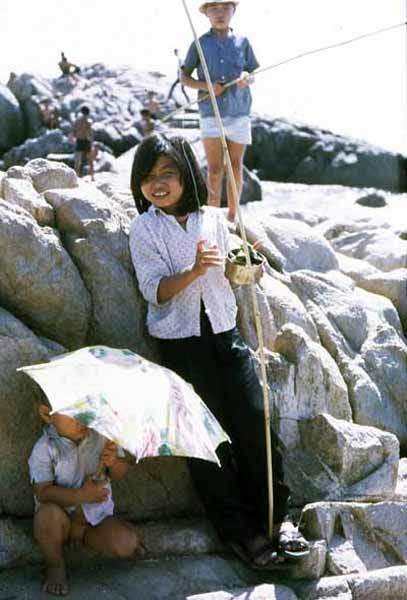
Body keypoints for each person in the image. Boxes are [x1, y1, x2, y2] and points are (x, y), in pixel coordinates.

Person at [129, 133, 309, 570]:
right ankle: (242, 534)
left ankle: (279, 519)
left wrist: (247, 266)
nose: (158, 184)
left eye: (168, 173)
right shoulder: (145, 228)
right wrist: (193, 271)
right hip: (181, 345)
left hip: (226, 334)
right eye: (149, 177)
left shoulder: (211, 218)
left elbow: (232, 272)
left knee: (254, 420)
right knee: (206, 442)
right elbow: (154, 291)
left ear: (187, 175)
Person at [28, 392, 143, 596]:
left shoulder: (103, 438)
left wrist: (114, 463)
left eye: (86, 410)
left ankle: (109, 535)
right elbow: (43, 493)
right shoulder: (44, 448)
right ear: (47, 414)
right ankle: (55, 565)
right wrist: (80, 496)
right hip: (60, 523)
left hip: (93, 523)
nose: (83, 419)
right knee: (46, 516)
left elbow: (119, 474)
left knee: (126, 544)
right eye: (73, 413)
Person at [181, 0, 258, 223]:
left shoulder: (243, 41)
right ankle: (213, 218)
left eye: (225, 8)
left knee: (235, 166)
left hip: (239, 111)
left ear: (234, 10)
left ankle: (233, 217)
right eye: (214, 8)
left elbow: (252, 71)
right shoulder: (199, 43)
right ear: (206, 13)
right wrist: (207, 87)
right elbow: (184, 77)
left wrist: (247, 78)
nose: (220, 13)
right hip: (210, 113)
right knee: (214, 170)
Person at [71, 106, 94, 181]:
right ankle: (92, 176)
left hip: (79, 141)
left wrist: (73, 138)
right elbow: (90, 134)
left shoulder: (77, 121)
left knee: (77, 160)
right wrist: (92, 143)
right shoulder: (89, 121)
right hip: (86, 141)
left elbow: (73, 132)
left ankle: (76, 176)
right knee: (90, 160)